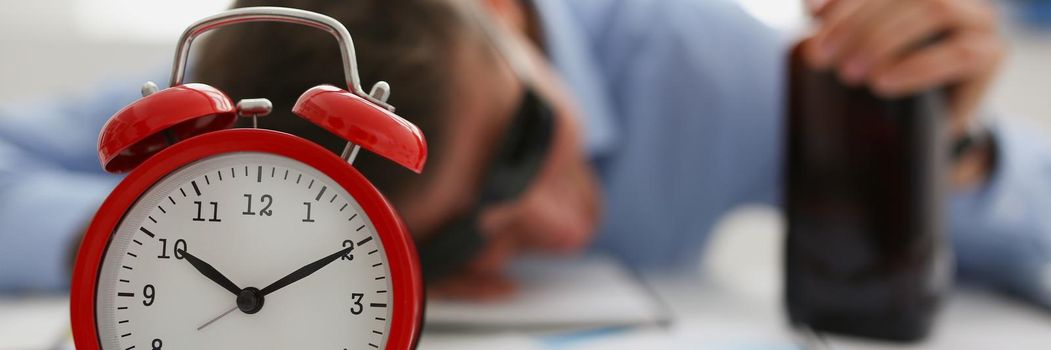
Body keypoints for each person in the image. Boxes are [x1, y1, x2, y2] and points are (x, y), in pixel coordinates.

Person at [2, 0, 1048, 310]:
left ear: (502, 14)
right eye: (456, 235)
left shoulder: (695, 65)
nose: (558, 228)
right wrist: (172, 232)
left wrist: (936, 153)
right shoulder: (237, 97)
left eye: (519, 152)